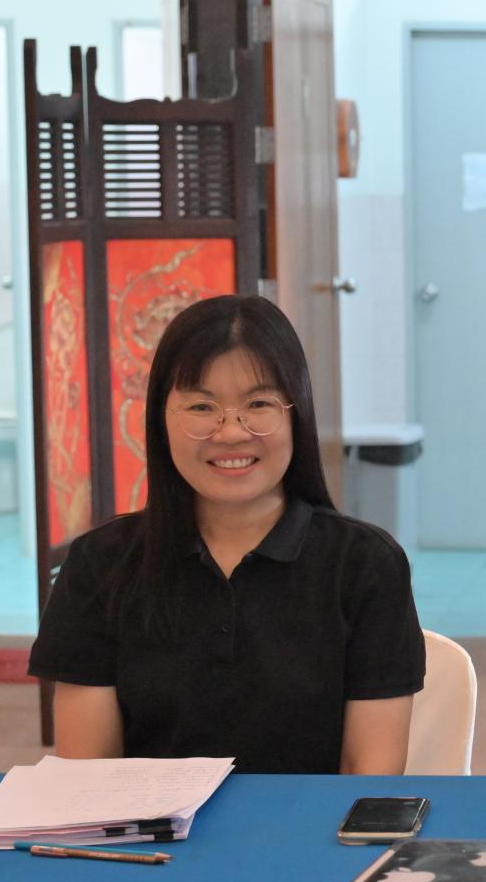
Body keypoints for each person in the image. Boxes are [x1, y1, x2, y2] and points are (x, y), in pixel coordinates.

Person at [30, 295, 424, 773]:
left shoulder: (366, 565)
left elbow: (369, 781)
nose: (231, 432)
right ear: (161, 420)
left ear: (296, 415)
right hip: (150, 824)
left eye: (258, 404)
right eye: (202, 406)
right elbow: (86, 778)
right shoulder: (100, 565)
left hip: (314, 823)